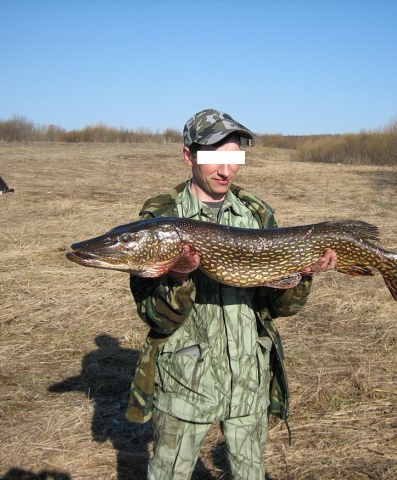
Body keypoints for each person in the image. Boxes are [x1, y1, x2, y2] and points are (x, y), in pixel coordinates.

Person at [126, 109, 336, 480]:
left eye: (235, 157)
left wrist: (302, 275)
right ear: (189, 156)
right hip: (185, 384)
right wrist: (178, 280)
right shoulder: (160, 218)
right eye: (216, 158)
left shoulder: (254, 212)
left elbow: (277, 306)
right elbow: (157, 319)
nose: (227, 170)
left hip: (249, 381)